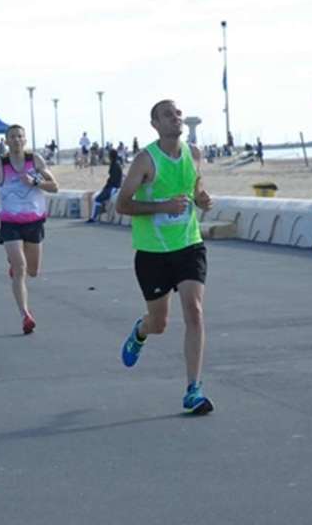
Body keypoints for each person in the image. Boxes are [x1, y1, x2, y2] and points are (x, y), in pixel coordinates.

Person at [116, 99, 216, 415]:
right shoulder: (145, 160)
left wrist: (202, 199)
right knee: (159, 323)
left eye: (178, 113)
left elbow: (195, 189)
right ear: (155, 125)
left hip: (189, 244)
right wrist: (163, 207)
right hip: (152, 252)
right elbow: (122, 204)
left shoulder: (193, 153)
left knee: (194, 311)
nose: (175, 118)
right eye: (167, 115)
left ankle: (193, 389)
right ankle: (140, 331)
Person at [0, 124, 58, 334]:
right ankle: (25, 315)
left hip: (33, 221)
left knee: (33, 271)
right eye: (12, 137)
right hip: (10, 222)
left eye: (19, 136)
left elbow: (54, 186)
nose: (16, 140)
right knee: (20, 269)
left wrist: (35, 181)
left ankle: (15, 266)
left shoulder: (35, 160)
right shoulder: (1, 163)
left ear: (25, 140)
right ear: (6, 141)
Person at [86, 149, 123, 223]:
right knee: (102, 197)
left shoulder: (114, 165)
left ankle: (93, 218)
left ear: (110, 157)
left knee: (97, 200)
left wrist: (105, 187)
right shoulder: (117, 164)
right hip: (116, 187)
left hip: (112, 188)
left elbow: (112, 180)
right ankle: (102, 210)